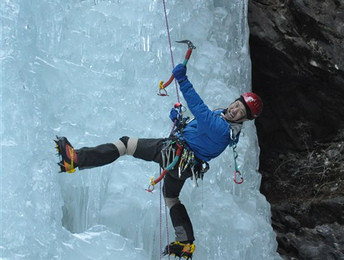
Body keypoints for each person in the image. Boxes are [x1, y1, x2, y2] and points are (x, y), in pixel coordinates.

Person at [55, 64, 263, 259]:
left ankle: (76, 159)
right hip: (185, 166)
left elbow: (199, 109)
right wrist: (180, 121)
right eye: (236, 104)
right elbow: (199, 128)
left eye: (240, 112)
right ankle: (185, 242)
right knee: (171, 198)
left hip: (174, 155)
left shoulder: (221, 128)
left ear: (244, 120)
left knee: (126, 144)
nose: (234, 109)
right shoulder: (224, 124)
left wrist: (183, 80)